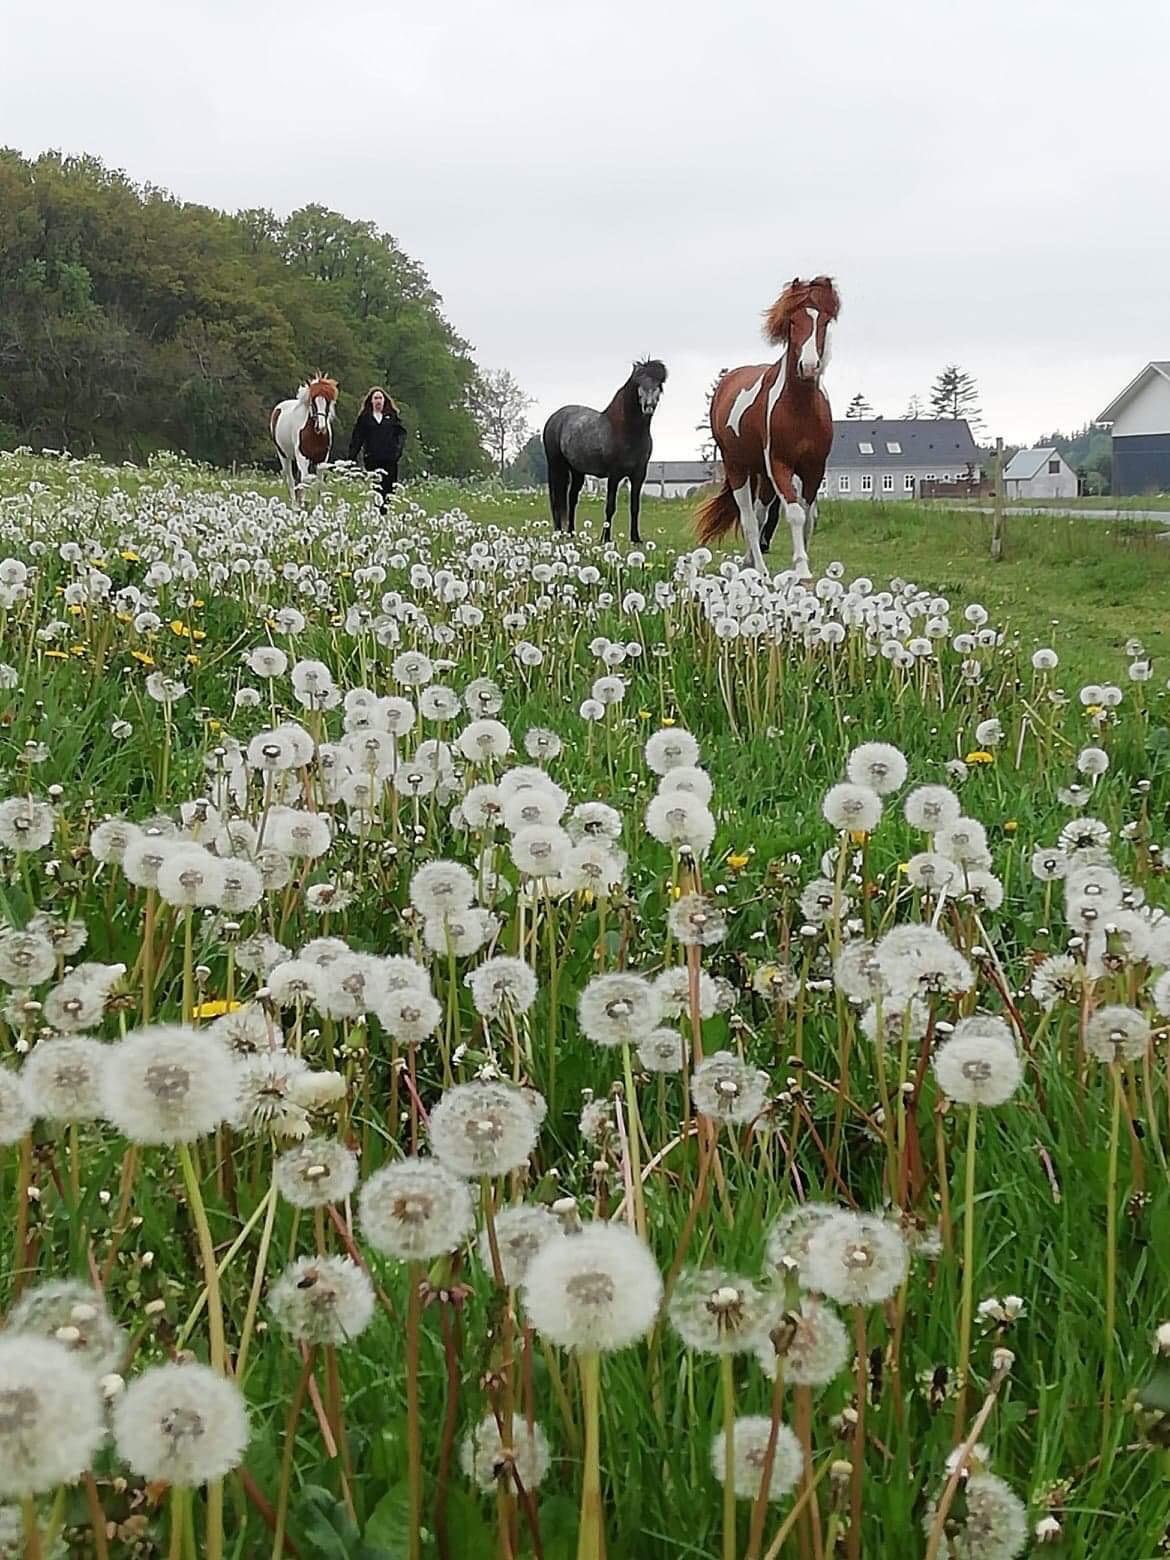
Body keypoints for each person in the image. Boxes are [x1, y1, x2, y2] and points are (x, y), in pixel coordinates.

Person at [348, 387, 407, 501]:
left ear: (384, 400)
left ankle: (386, 512)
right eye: (376, 398)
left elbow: (401, 434)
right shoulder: (365, 418)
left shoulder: (392, 417)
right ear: (371, 401)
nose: (378, 400)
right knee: (375, 489)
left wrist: (397, 451)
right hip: (372, 459)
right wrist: (351, 458)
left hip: (390, 460)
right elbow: (357, 438)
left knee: (389, 490)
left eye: (380, 398)